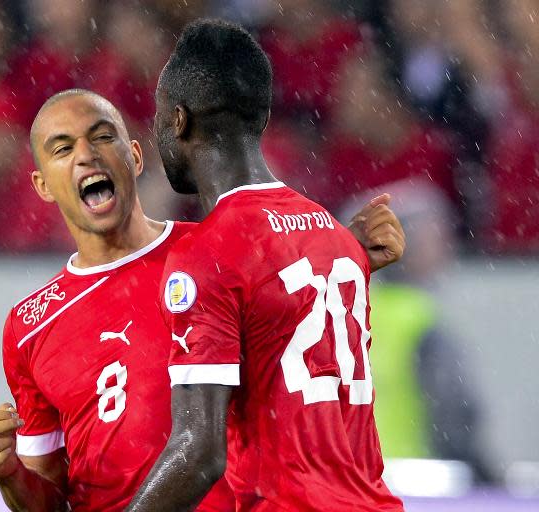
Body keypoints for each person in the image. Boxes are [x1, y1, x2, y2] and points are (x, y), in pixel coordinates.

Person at [0, 89, 405, 511]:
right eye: (63, 148)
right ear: (43, 185)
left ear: (135, 157)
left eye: (102, 137)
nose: (87, 154)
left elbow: (298, 316)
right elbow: (49, 497)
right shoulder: (30, 325)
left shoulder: (211, 256)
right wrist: (9, 473)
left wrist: (342, 250)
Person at [126, 19, 405, 511]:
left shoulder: (208, 253)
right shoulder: (332, 234)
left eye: (157, 114)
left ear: (178, 120)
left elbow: (199, 452)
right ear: (263, 115)